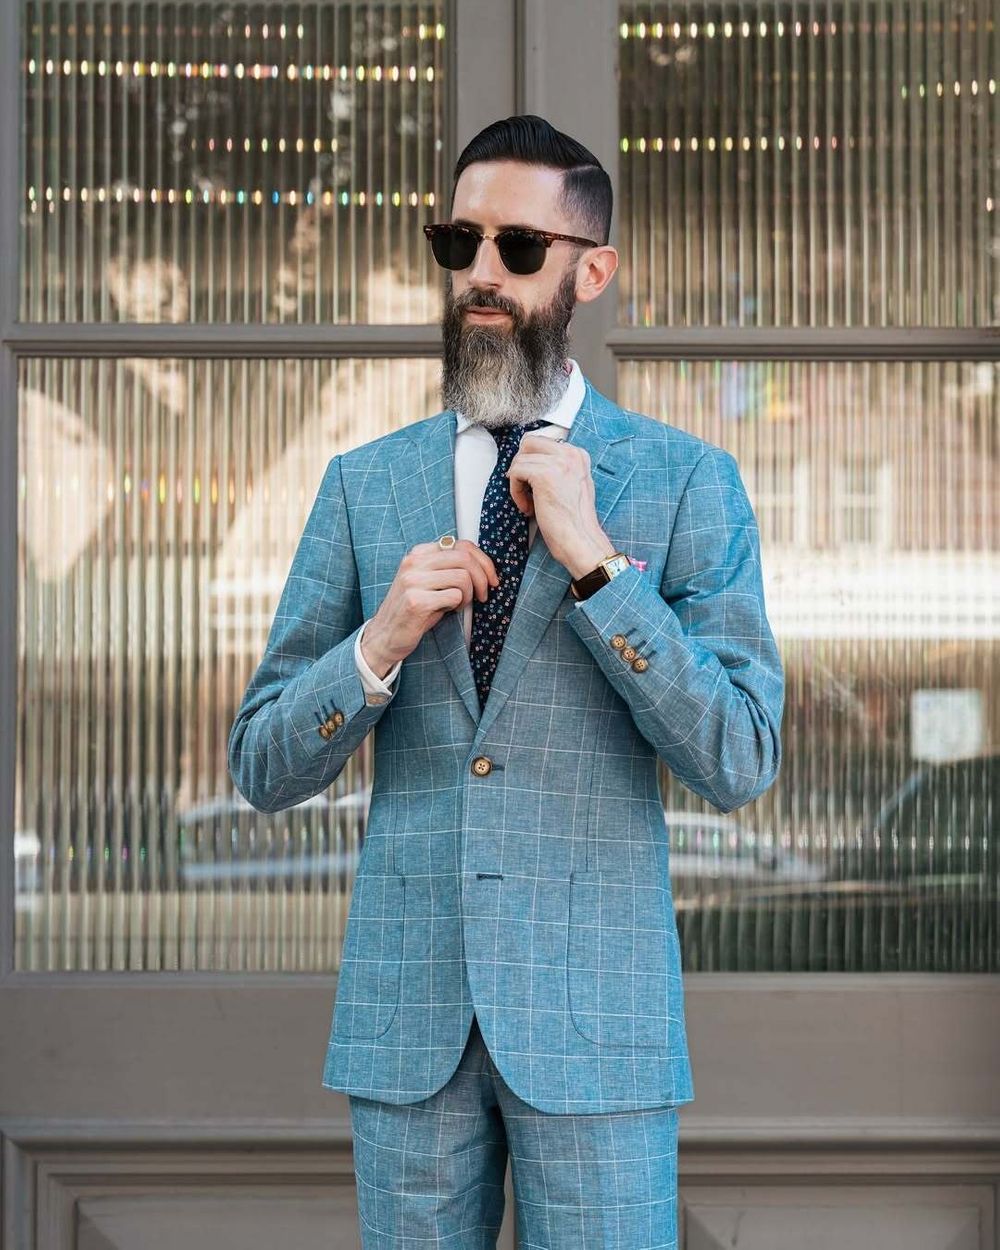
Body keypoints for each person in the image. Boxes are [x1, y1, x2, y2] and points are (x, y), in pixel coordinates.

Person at [228, 114, 784, 1250]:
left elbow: (738, 755)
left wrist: (596, 570)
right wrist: (378, 641)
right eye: (460, 241)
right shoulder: (361, 485)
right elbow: (262, 763)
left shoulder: (684, 483)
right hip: (408, 1021)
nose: (481, 273)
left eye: (518, 248)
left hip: (596, 1028)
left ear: (591, 268)